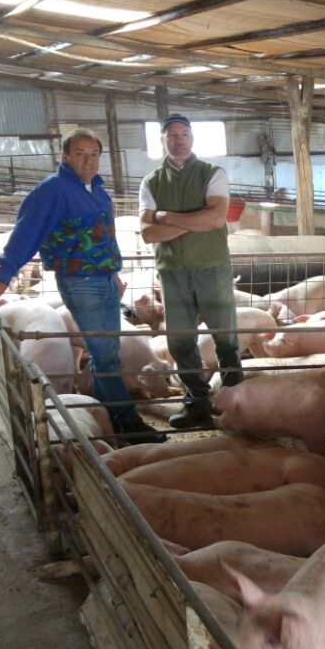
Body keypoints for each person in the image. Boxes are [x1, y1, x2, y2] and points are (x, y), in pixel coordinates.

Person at [0, 128, 166, 445]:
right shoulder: (52, 190)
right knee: (106, 354)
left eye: (94, 154)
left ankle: (110, 415)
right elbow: (26, 234)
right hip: (81, 282)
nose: (88, 160)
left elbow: (104, 236)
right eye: (80, 153)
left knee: (102, 351)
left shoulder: (95, 189)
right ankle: (126, 423)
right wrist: (4, 276)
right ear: (65, 156)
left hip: (104, 279)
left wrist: (115, 272)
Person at [139, 113, 242, 429]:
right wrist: (192, 221)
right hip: (172, 272)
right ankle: (196, 403)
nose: (179, 140)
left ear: (192, 138)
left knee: (225, 339)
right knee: (180, 342)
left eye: (184, 134)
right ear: (163, 141)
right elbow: (147, 232)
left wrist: (166, 216)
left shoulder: (213, 174)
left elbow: (215, 220)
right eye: (172, 135)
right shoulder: (151, 181)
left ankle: (236, 402)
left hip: (211, 268)